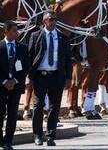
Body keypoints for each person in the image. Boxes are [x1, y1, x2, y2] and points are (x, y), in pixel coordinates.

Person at [27, 11, 72, 146]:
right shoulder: (35, 36)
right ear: (44, 22)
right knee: (38, 106)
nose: (53, 22)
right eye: (50, 19)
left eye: (55, 19)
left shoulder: (63, 38)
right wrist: (29, 77)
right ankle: (37, 135)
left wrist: (69, 77)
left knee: (54, 107)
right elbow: (30, 58)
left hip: (56, 76)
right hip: (40, 76)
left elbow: (68, 60)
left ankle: (51, 136)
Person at [0, 21, 30, 150]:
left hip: (15, 87)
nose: (17, 33)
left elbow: (25, 67)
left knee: (12, 115)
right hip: (1, 87)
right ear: (5, 32)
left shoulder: (22, 48)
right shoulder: (0, 46)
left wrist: (15, 81)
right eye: (14, 30)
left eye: (17, 31)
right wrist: (4, 81)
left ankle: (8, 141)